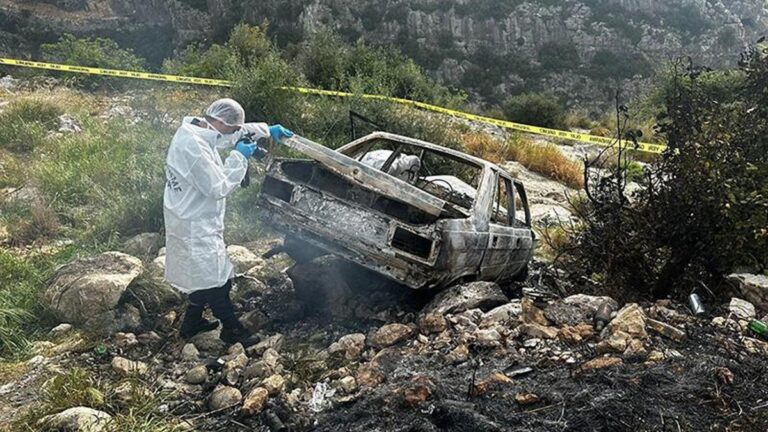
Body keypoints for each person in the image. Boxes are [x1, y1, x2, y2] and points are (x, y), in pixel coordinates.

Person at [163, 98, 293, 346]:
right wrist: (238, 158)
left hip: (191, 215)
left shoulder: (200, 130)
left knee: (201, 273)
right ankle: (232, 329)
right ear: (221, 122)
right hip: (194, 222)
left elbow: (230, 134)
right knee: (217, 279)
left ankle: (191, 323)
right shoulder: (193, 147)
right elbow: (217, 186)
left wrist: (266, 130)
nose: (234, 134)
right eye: (233, 129)